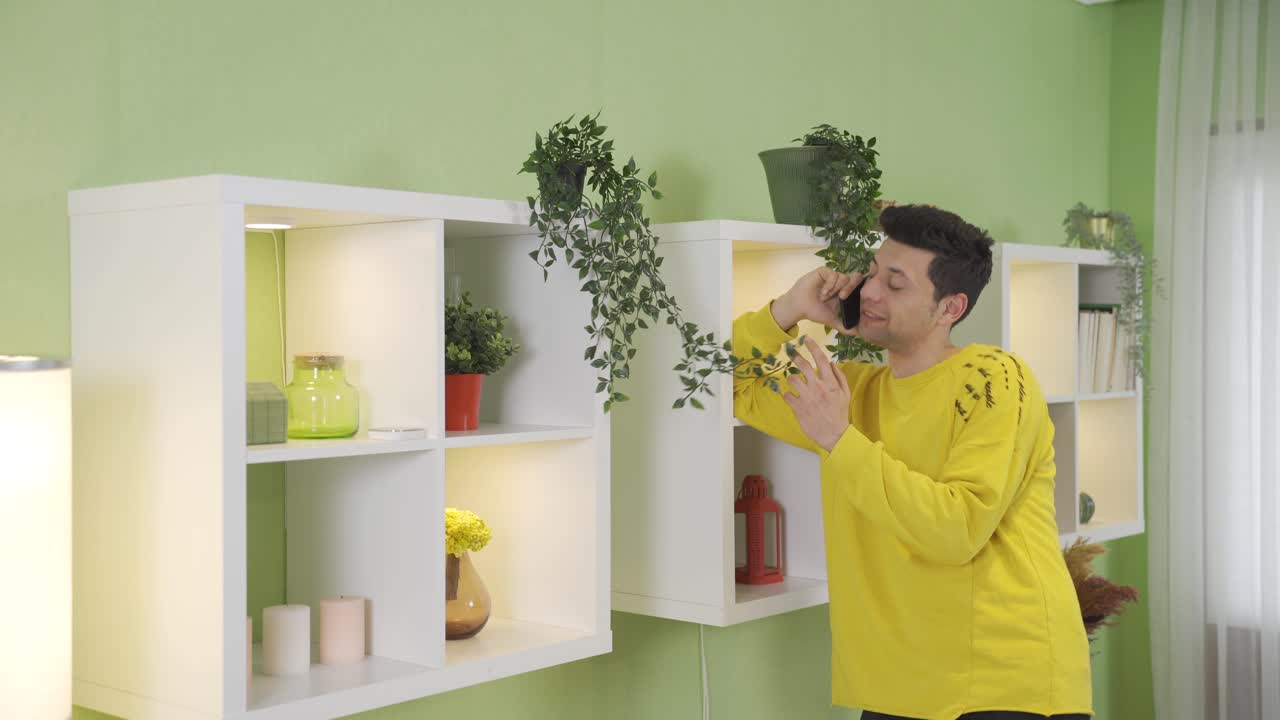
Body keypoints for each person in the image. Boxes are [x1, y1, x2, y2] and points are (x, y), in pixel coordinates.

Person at [732, 205, 1092, 720]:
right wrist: (787, 309)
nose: (871, 292)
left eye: (895, 284)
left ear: (950, 307)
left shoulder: (994, 379)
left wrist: (839, 438)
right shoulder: (850, 392)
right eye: (874, 273)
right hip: (896, 688)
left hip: (1001, 686)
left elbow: (958, 527)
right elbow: (735, 387)